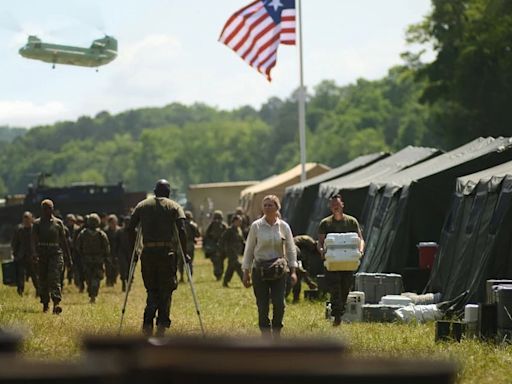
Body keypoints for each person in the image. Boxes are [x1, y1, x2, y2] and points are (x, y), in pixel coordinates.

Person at [127, 179, 189, 337]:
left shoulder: (142, 206)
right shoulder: (174, 206)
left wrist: (133, 250)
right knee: (166, 290)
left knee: (152, 289)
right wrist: (185, 252)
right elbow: (181, 229)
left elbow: (129, 227)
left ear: (154, 191)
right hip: (166, 254)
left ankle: (148, 322)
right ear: (169, 192)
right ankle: (162, 323)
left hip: (148, 254)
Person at [242, 195, 298, 338]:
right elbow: (249, 249)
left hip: (279, 271)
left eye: (270, 205)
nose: (267, 208)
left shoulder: (284, 227)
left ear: (277, 208)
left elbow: (291, 249)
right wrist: (246, 272)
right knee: (262, 305)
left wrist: (293, 271)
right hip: (259, 270)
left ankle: (277, 331)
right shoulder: (256, 226)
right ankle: (265, 334)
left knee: (280, 304)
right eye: (265, 205)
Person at [317, 193, 365, 326]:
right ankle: (337, 315)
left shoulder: (351, 222)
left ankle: (340, 310)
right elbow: (320, 242)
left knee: (345, 288)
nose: (335, 207)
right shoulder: (325, 223)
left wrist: (360, 251)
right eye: (333, 205)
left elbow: (360, 239)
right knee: (335, 287)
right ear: (330, 207)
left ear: (342, 205)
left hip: (348, 262)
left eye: (337, 205)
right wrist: (321, 251)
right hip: (332, 263)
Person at [32, 199, 71, 314]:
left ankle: (56, 303)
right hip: (42, 254)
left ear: (52, 209)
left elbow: (64, 241)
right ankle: (45, 303)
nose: (47, 210)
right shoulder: (37, 223)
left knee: (54, 278)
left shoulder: (58, 223)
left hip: (55, 254)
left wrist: (69, 258)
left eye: (49, 208)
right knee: (43, 280)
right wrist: (34, 253)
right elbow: (33, 240)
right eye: (44, 208)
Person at [76, 213, 110, 303]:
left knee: (89, 277)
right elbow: (106, 247)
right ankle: (93, 295)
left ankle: (91, 294)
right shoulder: (101, 234)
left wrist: (81, 255)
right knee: (96, 277)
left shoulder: (83, 233)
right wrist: (105, 256)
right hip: (98, 259)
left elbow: (78, 246)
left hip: (87, 259)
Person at [11, 211, 39, 297]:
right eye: (25, 218)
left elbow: (38, 242)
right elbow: (14, 243)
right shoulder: (19, 230)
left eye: (28, 218)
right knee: (20, 276)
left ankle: (39, 291)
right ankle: (20, 292)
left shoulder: (35, 229)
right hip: (21, 256)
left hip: (32, 257)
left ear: (31, 219)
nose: (26, 220)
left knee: (35, 276)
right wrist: (15, 254)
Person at [219, 214, 245, 287]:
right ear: (234, 221)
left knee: (231, 267)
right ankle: (244, 280)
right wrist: (223, 250)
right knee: (238, 265)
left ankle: (225, 282)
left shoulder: (239, 230)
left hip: (236, 251)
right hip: (231, 251)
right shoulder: (229, 230)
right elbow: (222, 240)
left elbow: (241, 240)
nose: (240, 223)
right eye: (239, 221)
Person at [203, 210, 227, 281]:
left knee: (216, 262)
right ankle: (219, 274)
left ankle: (218, 275)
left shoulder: (211, 225)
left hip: (213, 248)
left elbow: (206, 236)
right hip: (221, 248)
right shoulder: (223, 225)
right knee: (220, 262)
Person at [177, 211, 201, 282]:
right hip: (190, 245)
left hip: (180, 245)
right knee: (189, 262)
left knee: (180, 262)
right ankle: (189, 278)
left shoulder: (179, 224)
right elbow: (198, 235)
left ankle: (181, 277)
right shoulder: (193, 224)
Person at [105, 214, 120, 287]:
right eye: (111, 222)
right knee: (108, 268)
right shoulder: (106, 231)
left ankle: (114, 280)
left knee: (116, 268)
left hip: (117, 252)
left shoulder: (119, 231)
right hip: (109, 252)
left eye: (114, 222)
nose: (113, 224)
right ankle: (109, 281)